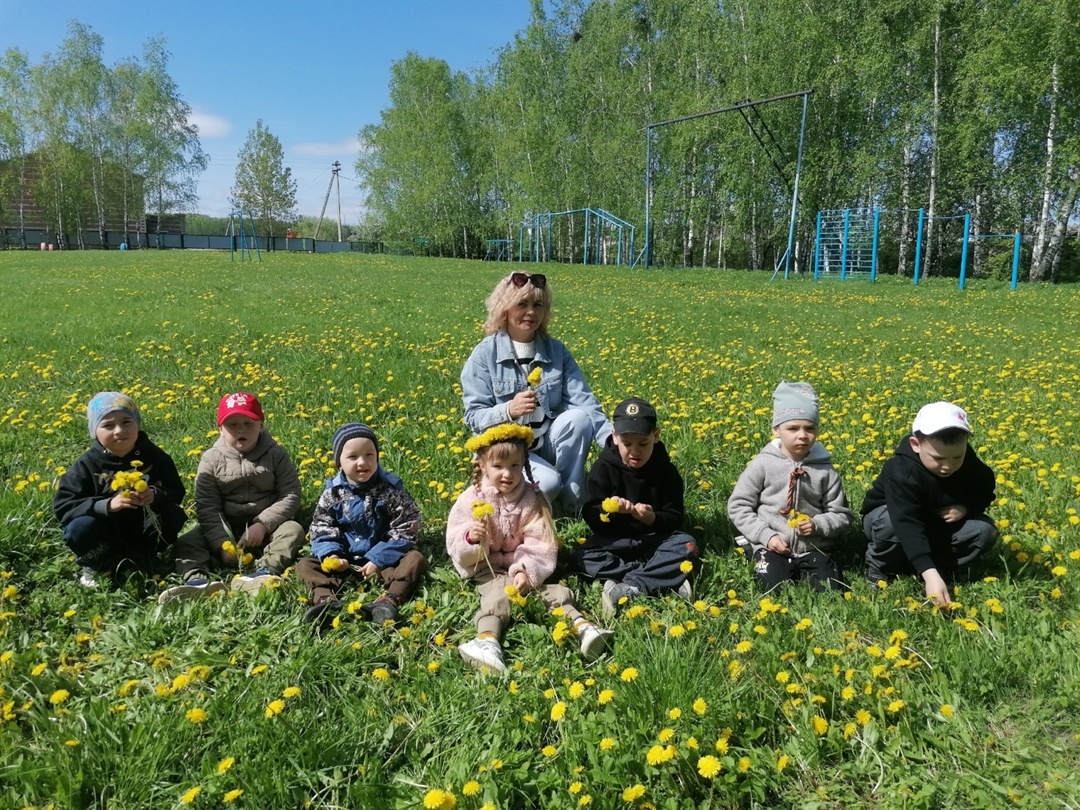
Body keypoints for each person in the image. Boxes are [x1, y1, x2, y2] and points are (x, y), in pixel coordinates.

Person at [446, 423, 613, 672]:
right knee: (497, 596)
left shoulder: (531, 499)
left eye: (515, 466)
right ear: (481, 465)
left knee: (552, 592)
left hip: (523, 566)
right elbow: (455, 538)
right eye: (498, 467)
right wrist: (471, 539)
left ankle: (583, 627)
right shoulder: (472, 499)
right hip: (487, 567)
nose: (507, 474)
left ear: (524, 464)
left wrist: (525, 570)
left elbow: (540, 542)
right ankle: (486, 640)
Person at [460, 272, 611, 514]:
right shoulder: (484, 355)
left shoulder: (556, 351)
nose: (531, 312)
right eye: (522, 304)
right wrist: (508, 410)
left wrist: (613, 441)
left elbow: (584, 402)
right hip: (508, 451)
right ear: (504, 308)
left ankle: (571, 508)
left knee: (579, 419)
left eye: (538, 305)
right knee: (548, 484)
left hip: (544, 442)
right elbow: (474, 417)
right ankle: (505, 491)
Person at [159, 392, 304, 604]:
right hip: (226, 524)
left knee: (294, 530)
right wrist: (221, 543)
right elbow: (206, 505)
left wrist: (262, 524)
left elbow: (291, 494)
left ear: (261, 425)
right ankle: (196, 582)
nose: (241, 429)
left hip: (268, 525)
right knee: (188, 541)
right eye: (232, 424)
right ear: (220, 429)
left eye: (248, 423)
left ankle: (263, 573)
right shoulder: (211, 459)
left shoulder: (276, 454)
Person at [862, 401, 997, 605]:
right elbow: (905, 522)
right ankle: (882, 567)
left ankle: (933, 568)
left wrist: (966, 507)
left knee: (984, 530)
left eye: (957, 457)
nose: (947, 466)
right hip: (894, 522)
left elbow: (985, 488)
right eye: (938, 458)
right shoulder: (901, 472)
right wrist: (929, 573)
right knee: (890, 524)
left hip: (936, 524)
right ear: (916, 445)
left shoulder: (967, 461)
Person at [571, 397, 698, 616]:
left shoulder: (666, 471)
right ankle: (660, 581)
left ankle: (629, 586)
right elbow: (590, 514)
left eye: (642, 443)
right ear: (615, 437)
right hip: (613, 539)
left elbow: (675, 516)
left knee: (687, 545)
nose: (634, 451)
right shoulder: (603, 469)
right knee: (579, 558)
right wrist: (608, 512)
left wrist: (650, 518)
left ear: (656, 436)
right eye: (627, 444)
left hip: (653, 537)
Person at [297, 423, 426, 628]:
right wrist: (332, 554)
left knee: (414, 558)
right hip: (345, 560)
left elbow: (406, 526)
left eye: (369, 455)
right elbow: (321, 526)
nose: (362, 462)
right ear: (339, 461)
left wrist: (379, 559)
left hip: (385, 560)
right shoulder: (332, 493)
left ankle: (389, 600)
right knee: (305, 564)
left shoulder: (390, 490)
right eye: (353, 457)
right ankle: (325, 600)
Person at [727, 381, 852, 592]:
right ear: (776, 430)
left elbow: (842, 514)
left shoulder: (826, 470)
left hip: (813, 547)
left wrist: (818, 525)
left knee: (830, 591)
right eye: (792, 428)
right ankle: (755, 549)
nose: (802, 435)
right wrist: (767, 536)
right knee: (773, 588)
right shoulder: (763, 464)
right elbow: (738, 505)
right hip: (772, 545)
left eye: (810, 428)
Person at [54, 392, 186, 588]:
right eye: (108, 425)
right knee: (79, 528)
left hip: (143, 528)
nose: (119, 430)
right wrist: (105, 505)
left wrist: (156, 494)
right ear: (94, 431)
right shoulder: (87, 464)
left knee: (173, 514)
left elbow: (176, 490)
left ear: (137, 424)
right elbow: (63, 505)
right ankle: (97, 563)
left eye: (126, 422)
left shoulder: (155, 456)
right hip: (103, 533)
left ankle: (148, 557)